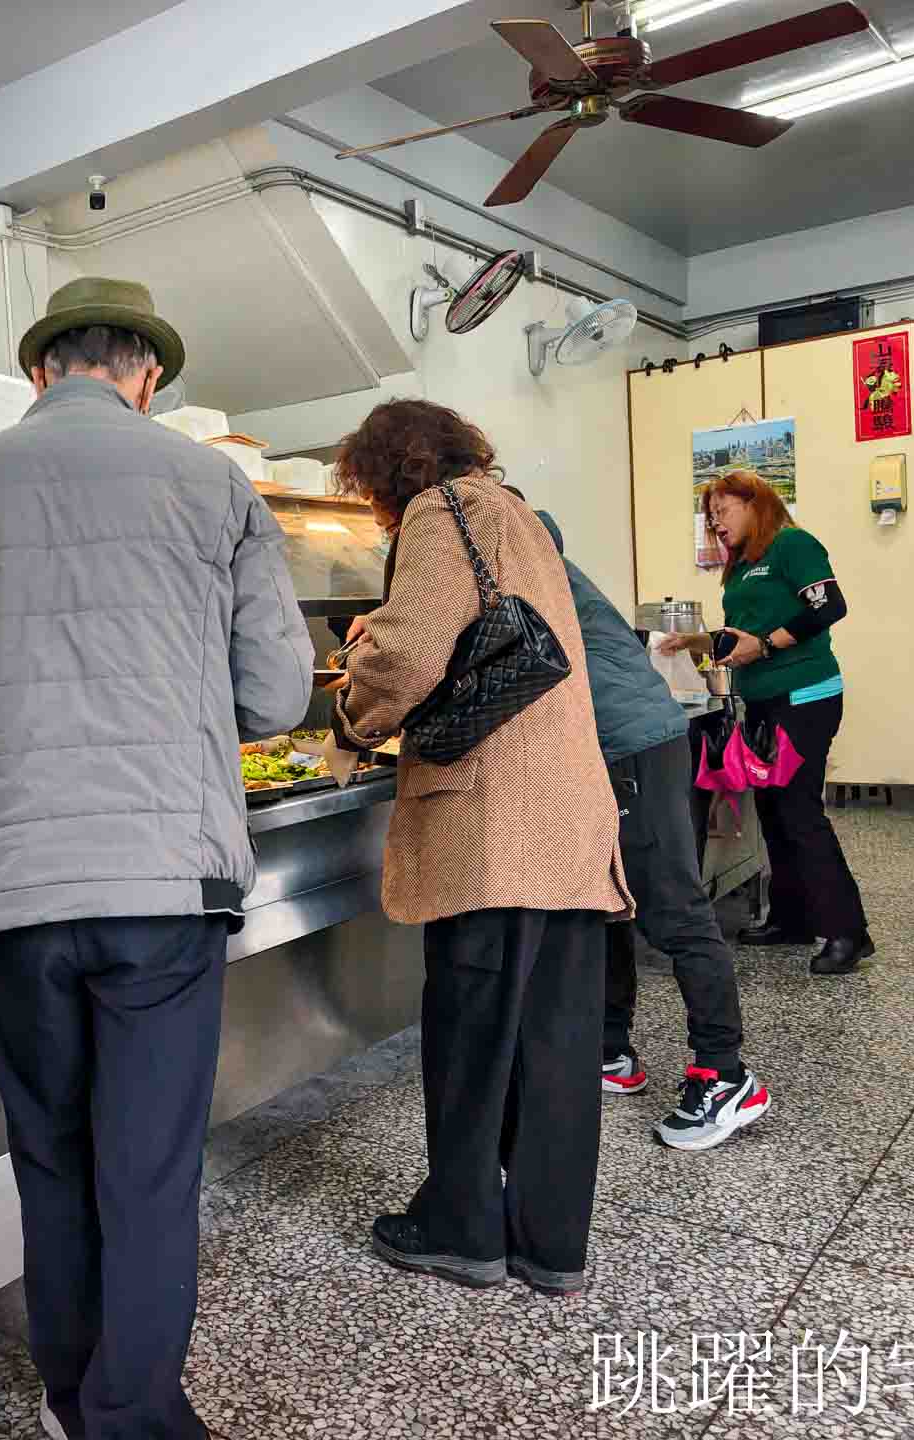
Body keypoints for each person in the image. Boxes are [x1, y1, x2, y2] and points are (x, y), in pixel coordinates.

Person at [0, 276, 312, 1440]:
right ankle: (134, 1416)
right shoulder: (215, 484)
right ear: (148, 373)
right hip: (165, 885)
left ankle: (73, 1396)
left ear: (37, 373)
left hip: (12, 885)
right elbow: (276, 693)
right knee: (148, 1172)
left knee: (51, 1159)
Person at [327, 401, 629, 1298]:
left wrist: (351, 712)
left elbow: (414, 653)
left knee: (475, 1038)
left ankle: (460, 1227)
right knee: (556, 1043)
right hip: (569, 818)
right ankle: (549, 1243)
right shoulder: (516, 511)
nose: (376, 507)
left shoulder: (439, 510)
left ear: (389, 473)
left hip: (492, 824)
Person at [512, 493, 769, 1151]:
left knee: (673, 911)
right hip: (611, 750)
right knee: (607, 902)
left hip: (632, 748)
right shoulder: (530, 566)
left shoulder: (523, 560)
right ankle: (609, 1050)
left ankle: (726, 1076)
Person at [660, 470, 872, 974]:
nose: (716, 525)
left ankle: (848, 931)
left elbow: (829, 607)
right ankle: (793, 918)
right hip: (766, 701)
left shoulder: (792, 545)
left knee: (799, 811)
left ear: (755, 504)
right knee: (774, 811)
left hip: (807, 694)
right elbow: (744, 638)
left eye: (723, 513)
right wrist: (699, 643)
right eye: (710, 519)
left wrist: (768, 643)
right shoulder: (742, 567)